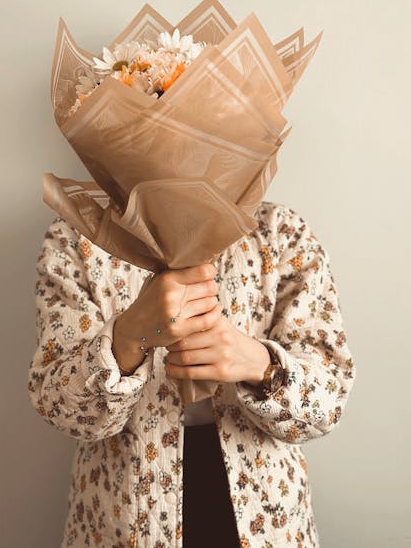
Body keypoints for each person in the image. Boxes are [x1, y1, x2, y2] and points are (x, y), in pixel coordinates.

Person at [28, 200, 357, 548]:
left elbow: (329, 402)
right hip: (122, 515)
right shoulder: (80, 234)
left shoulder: (278, 231)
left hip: (266, 514)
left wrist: (256, 362)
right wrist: (127, 337)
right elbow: (61, 411)